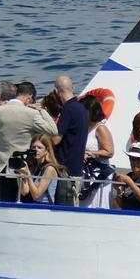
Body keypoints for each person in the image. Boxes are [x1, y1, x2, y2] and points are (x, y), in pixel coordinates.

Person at [52, 75, 90, 206]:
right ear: (72, 88)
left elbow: (56, 140)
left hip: (66, 171)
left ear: (56, 91)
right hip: (77, 169)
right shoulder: (81, 108)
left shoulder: (68, 109)